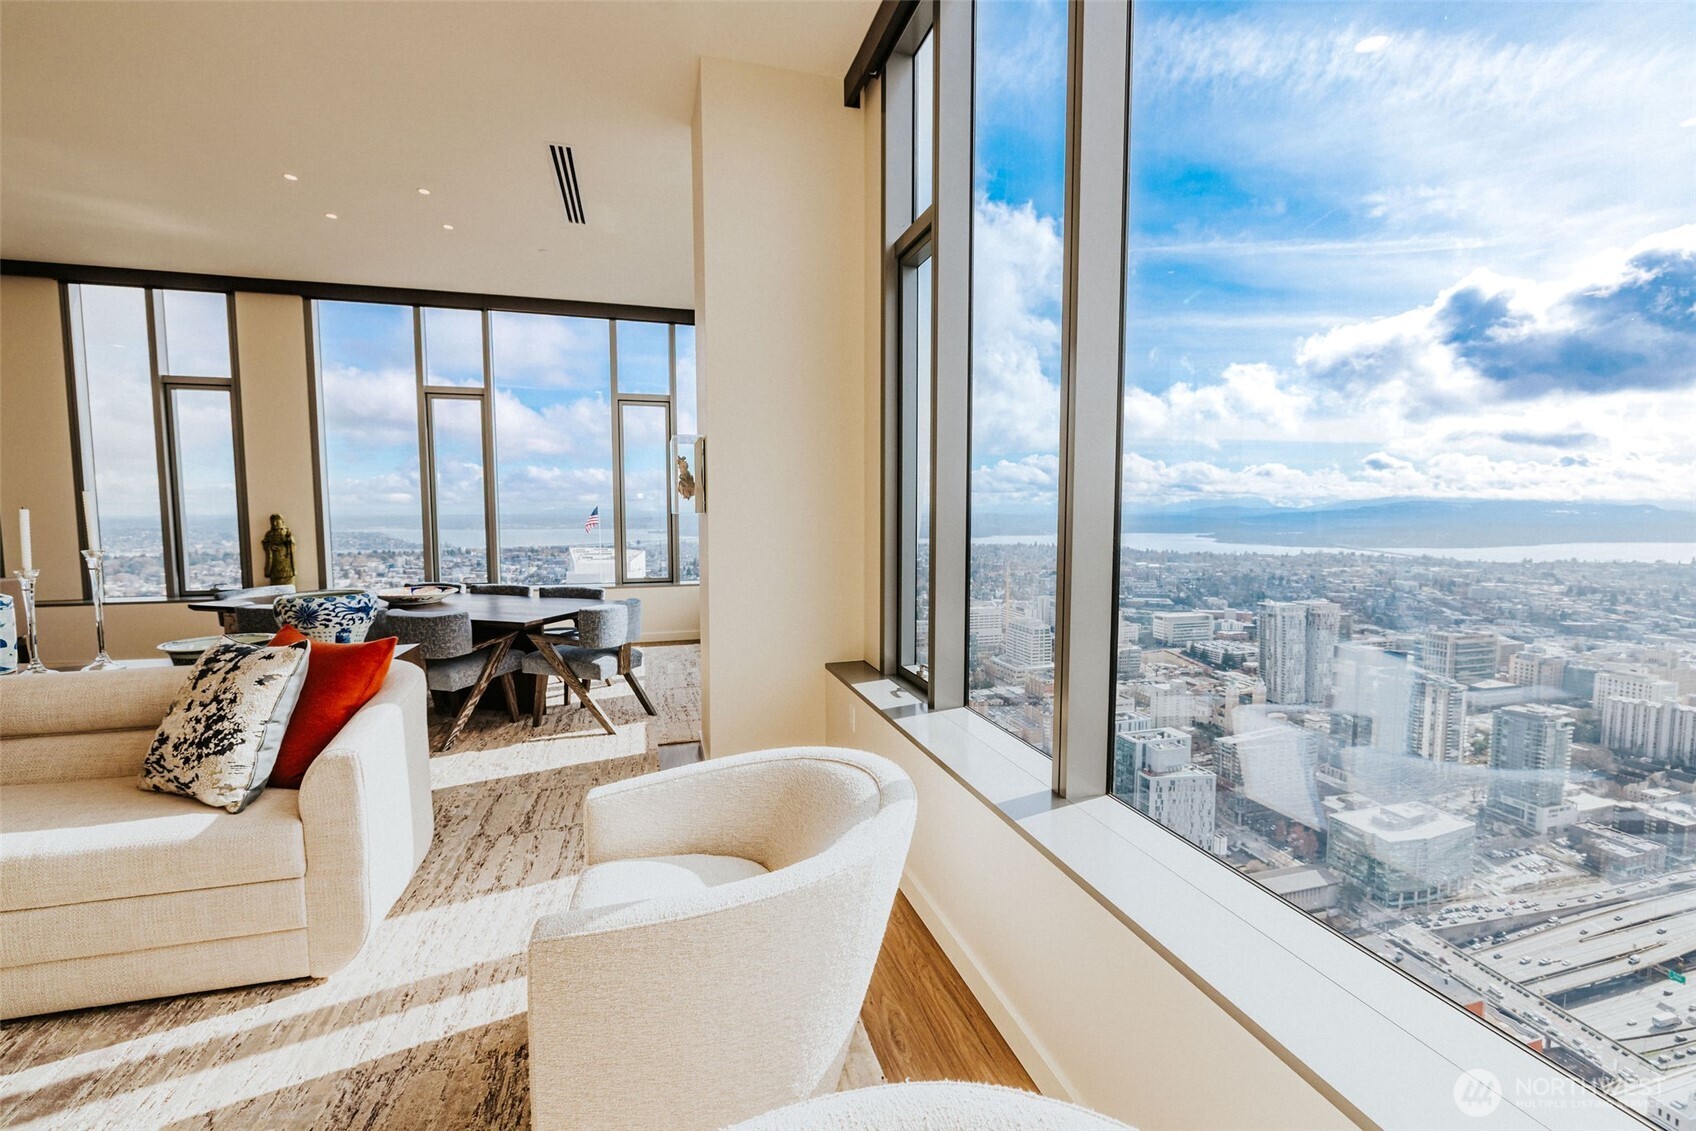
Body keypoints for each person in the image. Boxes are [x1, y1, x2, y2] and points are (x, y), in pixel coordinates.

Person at [262, 513, 296, 587]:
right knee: (275, 580)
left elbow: (292, 544)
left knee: (288, 579)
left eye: (277, 522)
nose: (275, 524)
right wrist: (270, 546)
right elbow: (265, 543)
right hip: (275, 558)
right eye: (273, 522)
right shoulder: (269, 534)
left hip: (286, 558)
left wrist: (289, 539)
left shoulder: (286, 532)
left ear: (282, 522)